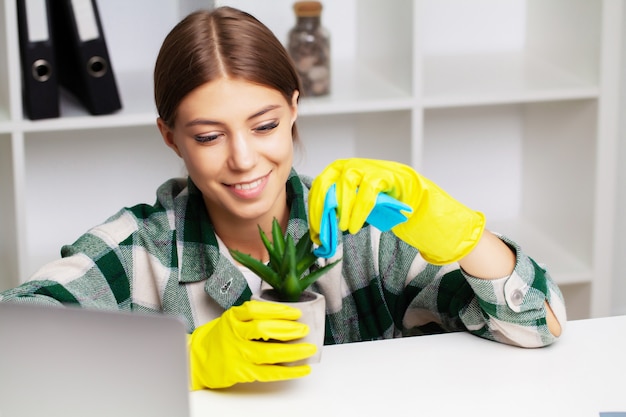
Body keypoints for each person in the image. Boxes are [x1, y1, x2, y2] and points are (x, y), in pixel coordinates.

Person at [0, 6, 566, 390]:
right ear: (169, 136)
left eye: (265, 125)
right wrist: (182, 361)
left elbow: (538, 326)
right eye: (208, 136)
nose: (244, 159)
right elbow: (14, 355)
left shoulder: (365, 230)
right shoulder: (141, 250)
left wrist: (463, 232)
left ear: (294, 108)